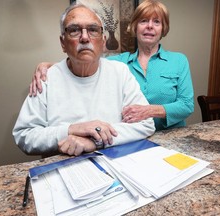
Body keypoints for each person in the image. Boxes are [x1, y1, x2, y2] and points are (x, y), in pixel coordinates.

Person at [13, 3, 155, 156]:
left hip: (113, 163)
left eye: (93, 30)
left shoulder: (120, 72)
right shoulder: (46, 78)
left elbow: (146, 124)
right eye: (74, 30)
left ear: (103, 41)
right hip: (64, 166)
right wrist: (71, 129)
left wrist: (95, 141)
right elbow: (24, 135)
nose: (85, 37)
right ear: (63, 43)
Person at [29, 0, 194, 131]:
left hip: (171, 136)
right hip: (134, 138)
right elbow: (86, 61)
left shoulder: (178, 61)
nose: (150, 26)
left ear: (163, 28)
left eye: (156, 22)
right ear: (135, 27)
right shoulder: (119, 63)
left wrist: (149, 111)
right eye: (144, 21)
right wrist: (49, 66)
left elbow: (186, 105)